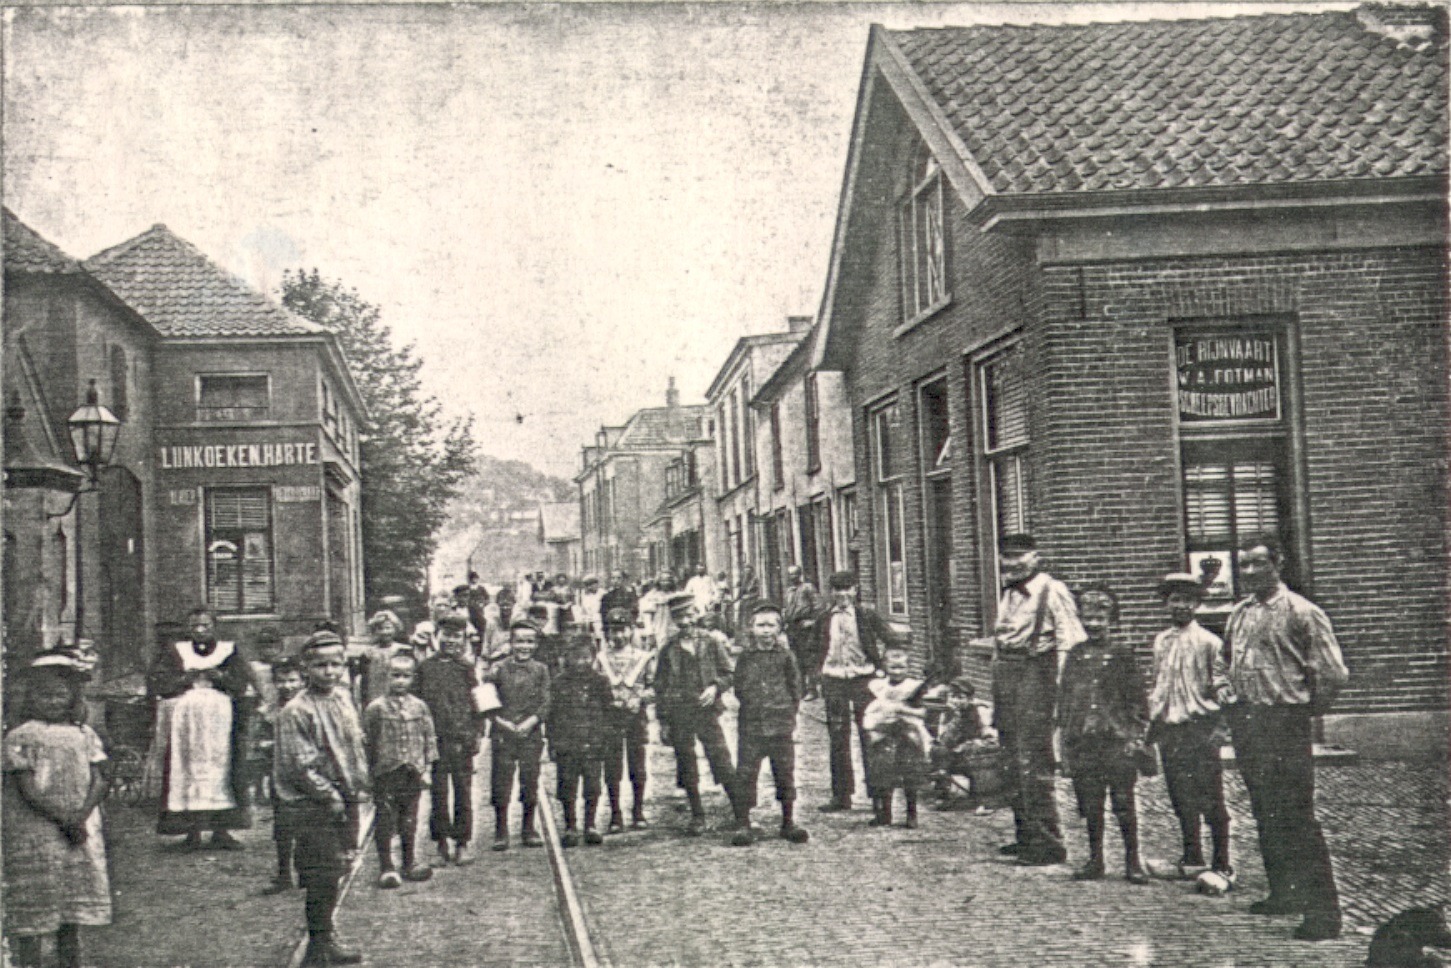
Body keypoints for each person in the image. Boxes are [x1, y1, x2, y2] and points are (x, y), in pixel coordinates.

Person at [1224, 534, 1348, 941]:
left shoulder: (1303, 612)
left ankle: (1324, 914)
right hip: (1249, 722)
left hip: (1285, 722)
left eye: (1257, 564)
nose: (1249, 572)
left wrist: (1305, 710)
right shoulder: (1239, 613)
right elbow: (1228, 664)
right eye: (1243, 565)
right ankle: (1285, 893)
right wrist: (1229, 696)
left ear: (1278, 564)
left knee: (1296, 816)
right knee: (1265, 810)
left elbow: (1332, 673)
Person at [4, 653, 111, 968]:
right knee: (36, 897)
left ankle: (70, 960)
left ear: (72, 698)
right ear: (30, 697)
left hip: (79, 826)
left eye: (59, 694)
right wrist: (64, 818)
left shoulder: (84, 735)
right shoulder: (21, 737)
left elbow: (100, 779)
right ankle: (29, 961)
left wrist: (81, 815)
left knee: (71, 896)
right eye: (43, 694)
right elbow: (28, 790)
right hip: (37, 829)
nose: (51, 701)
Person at [273, 630, 370, 967]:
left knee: (339, 867)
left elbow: (353, 745)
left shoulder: (343, 698)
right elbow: (301, 765)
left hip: (345, 794)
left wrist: (357, 784)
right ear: (306, 668)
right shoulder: (296, 711)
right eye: (320, 665)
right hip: (313, 804)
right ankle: (317, 945)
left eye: (336, 664)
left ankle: (327, 936)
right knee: (320, 872)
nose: (329, 672)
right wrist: (329, 795)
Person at [990, 534, 1086, 866]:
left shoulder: (1052, 591)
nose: (1012, 563)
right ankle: (1026, 836)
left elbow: (1070, 644)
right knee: (1010, 761)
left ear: (1035, 558)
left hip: (1036, 678)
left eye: (1019, 557)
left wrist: (1063, 694)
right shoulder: (1009, 592)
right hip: (1007, 676)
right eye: (1006, 556)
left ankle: (1049, 843)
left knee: (1033, 762)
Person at [146, 607, 260, 850]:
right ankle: (192, 832)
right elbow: (160, 682)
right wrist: (184, 679)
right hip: (187, 720)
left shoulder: (229, 650)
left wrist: (219, 676)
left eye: (205, 626)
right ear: (187, 628)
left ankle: (222, 830)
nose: (199, 631)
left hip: (220, 718)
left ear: (214, 627)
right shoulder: (176, 651)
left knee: (221, 770)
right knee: (186, 769)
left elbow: (241, 683)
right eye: (194, 626)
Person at [1058, 584, 1149, 885]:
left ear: (1113, 620)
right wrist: (1067, 742)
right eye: (1089, 618)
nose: (1095, 624)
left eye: (1101, 618)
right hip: (1086, 742)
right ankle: (1095, 860)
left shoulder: (1123, 654)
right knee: (1092, 804)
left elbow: (1138, 700)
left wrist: (1134, 735)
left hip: (1116, 741)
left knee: (1124, 802)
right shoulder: (1075, 655)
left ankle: (1133, 861)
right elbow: (1066, 700)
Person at [1149, 572, 1234, 881]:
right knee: (1180, 795)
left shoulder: (1210, 643)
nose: (1180, 606)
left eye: (1187, 600)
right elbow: (1160, 685)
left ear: (1197, 604)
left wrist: (1219, 728)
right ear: (1166, 604)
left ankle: (1222, 860)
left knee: (1210, 795)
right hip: (1172, 729)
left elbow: (1223, 688)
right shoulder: (1161, 642)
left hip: (1200, 728)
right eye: (1175, 600)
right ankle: (1192, 855)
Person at [815, 570, 901, 813]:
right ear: (831, 592)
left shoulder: (866, 615)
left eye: (847, 589)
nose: (842, 594)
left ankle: (877, 795)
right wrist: (817, 671)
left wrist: (884, 666)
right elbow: (812, 648)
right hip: (834, 680)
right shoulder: (823, 618)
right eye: (837, 590)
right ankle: (841, 796)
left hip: (864, 680)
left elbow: (892, 639)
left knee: (870, 735)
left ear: (855, 590)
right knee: (838, 739)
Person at [654, 592, 736, 836]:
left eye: (690, 615)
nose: (686, 621)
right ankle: (697, 814)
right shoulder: (668, 648)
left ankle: (739, 809)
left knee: (720, 756)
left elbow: (729, 673)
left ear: (697, 614)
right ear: (674, 619)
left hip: (706, 711)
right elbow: (660, 686)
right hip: (680, 712)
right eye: (680, 617)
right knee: (686, 762)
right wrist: (663, 720)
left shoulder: (711, 642)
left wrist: (715, 687)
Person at [729, 602, 810, 847]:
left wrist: (786, 711)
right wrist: (755, 706)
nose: (765, 631)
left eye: (771, 625)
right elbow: (739, 687)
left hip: (780, 725)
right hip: (752, 725)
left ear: (779, 629)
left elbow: (796, 687)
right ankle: (743, 822)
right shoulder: (746, 657)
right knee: (746, 773)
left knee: (785, 772)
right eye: (760, 625)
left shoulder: (786, 656)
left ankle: (788, 821)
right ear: (752, 629)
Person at [363, 653, 438, 888]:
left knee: (410, 818)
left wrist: (426, 768)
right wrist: (368, 772)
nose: (400, 681)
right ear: (386, 677)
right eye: (395, 676)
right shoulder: (376, 708)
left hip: (412, 770)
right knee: (385, 817)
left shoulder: (419, 706)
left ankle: (409, 862)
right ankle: (386, 866)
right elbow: (366, 742)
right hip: (386, 771)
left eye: (406, 676)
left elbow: (429, 738)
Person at [416, 611, 484, 867]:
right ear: (437, 636)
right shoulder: (425, 668)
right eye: (446, 635)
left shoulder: (466, 668)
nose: (451, 641)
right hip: (435, 741)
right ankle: (441, 842)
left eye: (456, 636)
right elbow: (418, 704)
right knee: (438, 793)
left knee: (463, 792)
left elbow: (478, 702)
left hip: (462, 739)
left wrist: (478, 732)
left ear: (464, 639)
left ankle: (463, 843)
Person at [486, 619, 551, 850]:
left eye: (529, 642)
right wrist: (501, 722)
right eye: (519, 641)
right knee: (501, 781)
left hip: (530, 734)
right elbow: (487, 700)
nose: (524, 646)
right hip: (503, 734)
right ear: (510, 643)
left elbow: (546, 702)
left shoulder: (541, 670)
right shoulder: (498, 669)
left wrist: (531, 721)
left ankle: (528, 827)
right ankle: (501, 829)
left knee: (529, 780)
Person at [549, 637, 614, 847]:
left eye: (586, 658)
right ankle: (570, 826)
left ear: (593, 658)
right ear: (567, 658)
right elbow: (552, 717)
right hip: (567, 744)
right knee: (567, 786)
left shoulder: (600, 681)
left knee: (592, 785)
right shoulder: (559, 682)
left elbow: (608, 712)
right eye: (576, 657)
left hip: (593, 742)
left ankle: (590, 825)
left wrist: (604, 739)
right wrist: (553, 743)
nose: (580, 663)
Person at [596, 608, 655, 832]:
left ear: (631, 630)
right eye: (613, 631)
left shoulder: (643, 657)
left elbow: (653, 687)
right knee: (612, 766)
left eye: (622, 630)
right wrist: (606, 702)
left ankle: (638, 811)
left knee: (637, 765)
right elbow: (595, 687)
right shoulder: (601, 659)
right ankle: (615, 813)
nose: (618, 636)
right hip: (610, 718)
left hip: (635, 717)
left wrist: (640, 699)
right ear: (607, 634)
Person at [862, 644, 932, 829]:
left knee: (910, 773)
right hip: (884, 731)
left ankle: (911, 813)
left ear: (908, 668)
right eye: (893, 667)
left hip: (907, 732)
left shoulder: (914, 688)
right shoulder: (877, 687)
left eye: (902, 667)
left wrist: (904, 710)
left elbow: (924, 712)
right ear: (885, 667)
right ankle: (884, 813)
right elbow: (871, 710)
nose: (898, 671)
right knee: (883, 772)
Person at [261, 658, 306, 895]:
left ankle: (307, 872)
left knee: (309, 824)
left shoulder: (309, 705)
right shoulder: (270, 710)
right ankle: (283, 873)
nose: (287, 686)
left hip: (307, 773)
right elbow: (261, 738)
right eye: (281, 681)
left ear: (301, 680)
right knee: (283, 826)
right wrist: (266, 745)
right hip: (280, 774)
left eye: (292, 680)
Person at [928, 676, 990, 809]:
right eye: (953, 697)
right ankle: (942, 793)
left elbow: (981, 733)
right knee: (939, 751)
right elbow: (943, 735)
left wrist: (970, 743)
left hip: (969, 751)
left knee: (945, 754)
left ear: (970, 699)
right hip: (951, 751)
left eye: (961, 697)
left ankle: (977, 795)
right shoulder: (946, 713)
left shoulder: (975, 712)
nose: (956, 701)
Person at [782, 565, 821, 701]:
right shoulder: (789, 591)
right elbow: (787, 608)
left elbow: (818, 607)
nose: (792, 577)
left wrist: (812, 621)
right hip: (792, 629)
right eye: (790, 575)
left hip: (805, 628)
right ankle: (801, 689)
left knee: (809, 659)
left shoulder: (808, 588)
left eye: (795, 574)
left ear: (800, 575)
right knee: (796, 659)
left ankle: (812, 689)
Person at [360, 611, 408, 709]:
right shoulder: (368, 654)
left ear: (395, 629)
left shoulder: (403, 651)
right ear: (375, 631)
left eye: (388, 628)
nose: (385, 632)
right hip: (374, 694)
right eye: (380, 628)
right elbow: (363, 682)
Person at [600, 571, 638, 635]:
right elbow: (603, 613)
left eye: (618, 578)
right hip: (611, 627)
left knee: (636, 639)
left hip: (626, 625)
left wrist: (630, 620)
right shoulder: (606, 596)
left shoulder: (629, 595)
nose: (615, 581)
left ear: (623, 579)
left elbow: (634, 610)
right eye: (613, 578)